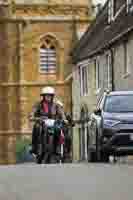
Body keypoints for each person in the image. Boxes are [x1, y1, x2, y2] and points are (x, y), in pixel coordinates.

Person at [29, 86, 67, 156]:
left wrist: (64, 119)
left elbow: (61, 113)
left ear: (52, 96)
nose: (48, 97)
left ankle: (57, 148)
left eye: (50, 95)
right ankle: (34, 147)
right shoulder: (38, 104)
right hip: (41, 122)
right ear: (43, 96)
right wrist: (33, 117)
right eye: (46, 95)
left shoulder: (56, 105)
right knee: (36, 127)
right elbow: (32, 113)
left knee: (58, 129)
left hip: (53, 122)